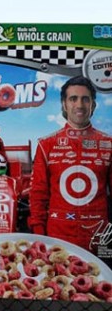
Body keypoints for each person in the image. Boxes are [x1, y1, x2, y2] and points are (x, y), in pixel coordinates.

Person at [28, 75, 112, 253]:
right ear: (64, 105)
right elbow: (38, 194)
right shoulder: (46, 144)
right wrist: (39, 235)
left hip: (98, 237)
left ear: (93, 104)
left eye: (85, 99)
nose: (79, 105)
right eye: (73, 99)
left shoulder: (109, 143)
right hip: (58, 237)